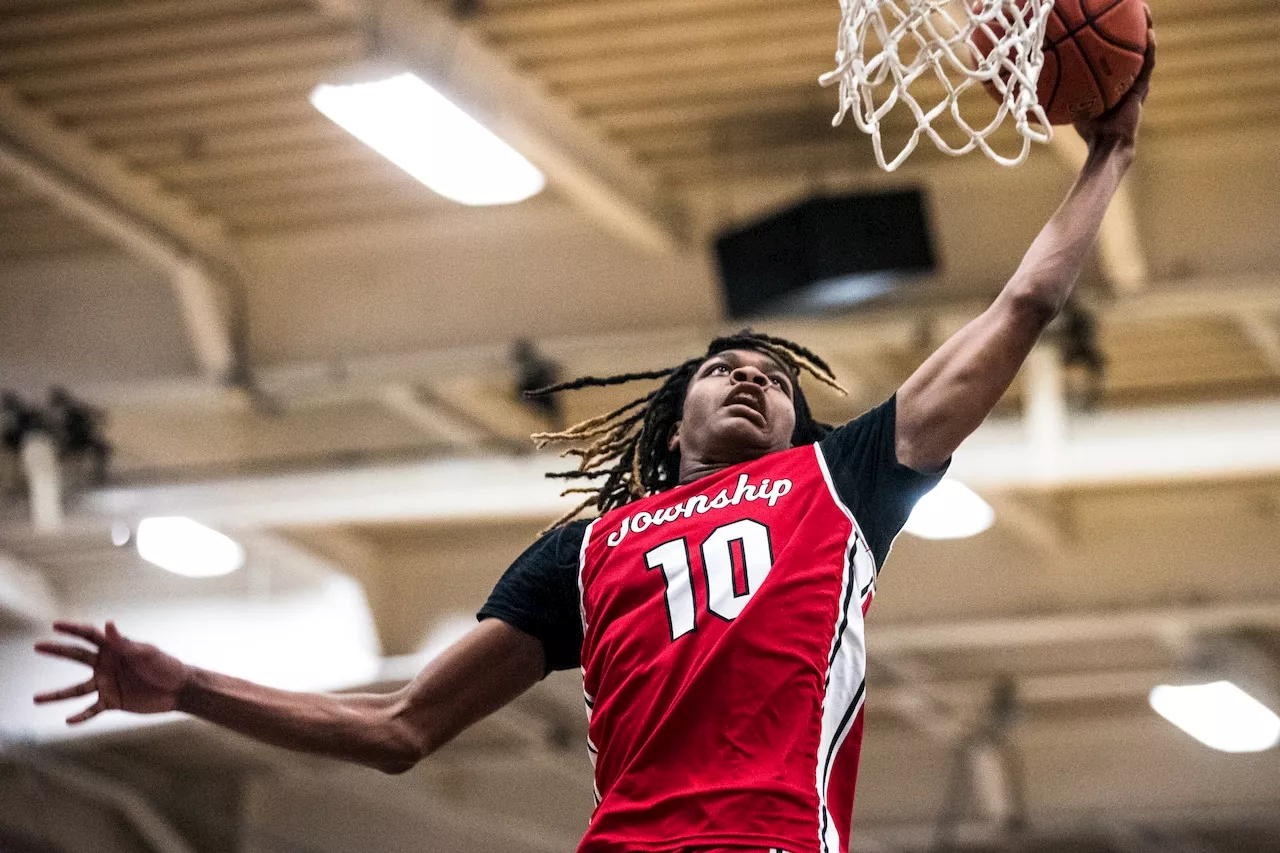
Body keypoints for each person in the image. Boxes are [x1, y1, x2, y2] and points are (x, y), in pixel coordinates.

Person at [33, 30, 1153, 853]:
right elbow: (398, 727)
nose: (751, 376)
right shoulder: (582, 550)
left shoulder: (841, 482)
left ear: (797, 426)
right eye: (724, 368)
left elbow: (1016, 310)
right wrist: (186, 684)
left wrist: (1105, 161)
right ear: (672, 424)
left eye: (772, 377)